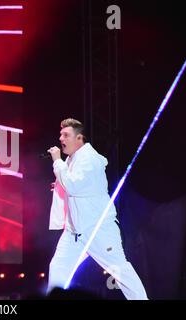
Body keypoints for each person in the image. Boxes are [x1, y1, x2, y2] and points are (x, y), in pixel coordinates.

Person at [47, 118, 148, 300]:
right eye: (61, 134)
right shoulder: (73, 159)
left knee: (120, 271)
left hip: (98, 230)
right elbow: (74, 186)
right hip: (74, 232)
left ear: (80, 138)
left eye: (66, 135)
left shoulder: (90, 159)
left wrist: (57, 162)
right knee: (58, 268)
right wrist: (59, 184)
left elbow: (73, 185)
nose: (61, 138)